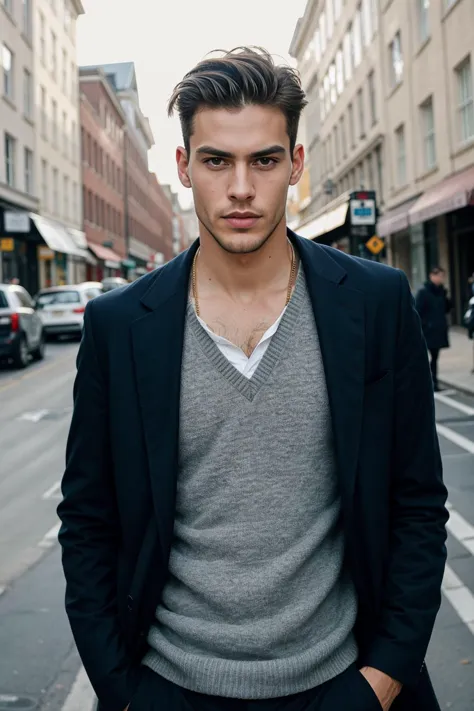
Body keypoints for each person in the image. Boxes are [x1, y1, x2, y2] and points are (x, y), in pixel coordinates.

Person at [58, 48, 448, 711]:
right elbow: (88, 522)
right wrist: (123, 692)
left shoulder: (376, 303)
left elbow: (416, 502)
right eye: (216, 161)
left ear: (295, 165)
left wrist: (381, 678)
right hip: (169, 688)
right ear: (184, 167)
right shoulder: (120, 325)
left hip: (339, 684)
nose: (241, 187)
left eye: (264, 160)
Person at [415, 267, 452, 392]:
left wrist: (446, 296)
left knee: (435, 357)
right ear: (432, 276)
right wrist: (425, 325)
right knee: (424, 357)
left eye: (442, 276)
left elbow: (447, 309)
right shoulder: (424, 292)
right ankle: (426, 381)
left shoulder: (442, 291)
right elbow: (417, 311)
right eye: (439, 276)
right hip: (428, 330)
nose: (441, 279)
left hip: (439, 329)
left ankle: (434, 382)